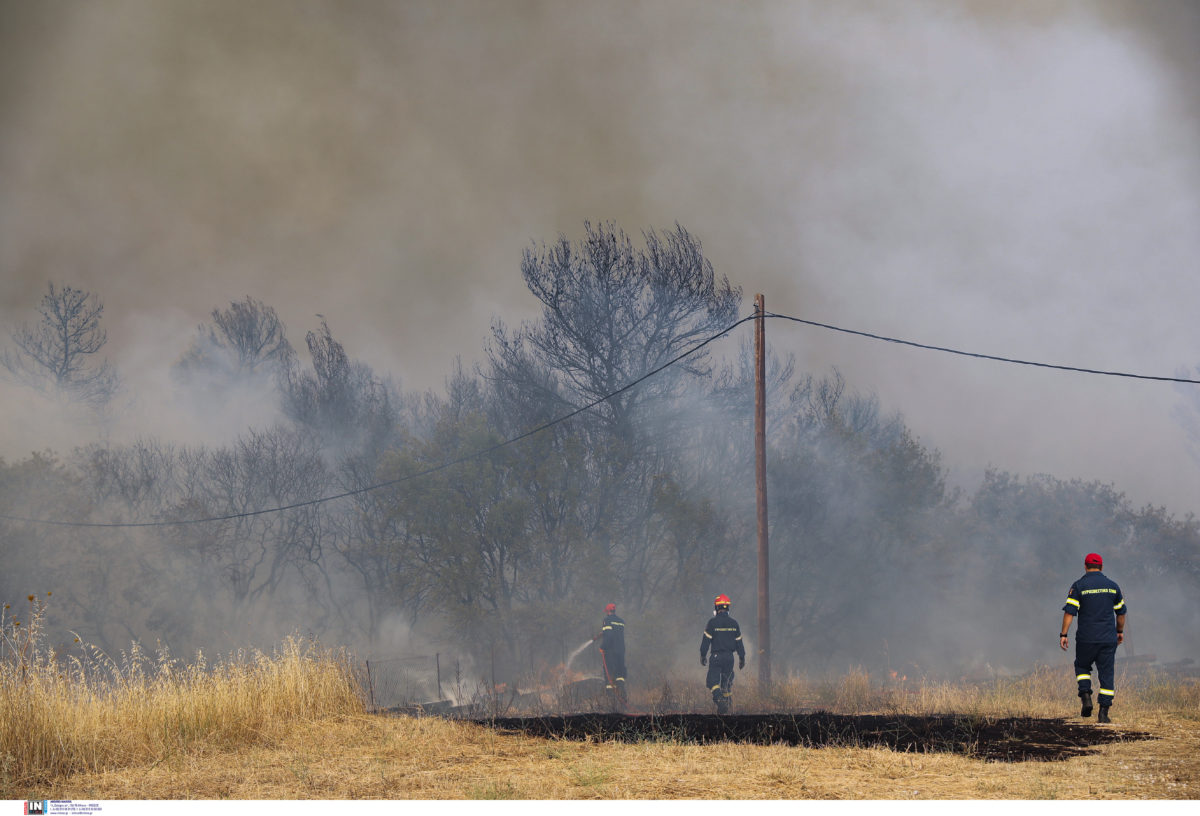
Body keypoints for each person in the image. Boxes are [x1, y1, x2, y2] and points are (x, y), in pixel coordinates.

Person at [1060, 552, 1127, 723]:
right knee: (1106, 674)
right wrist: (1119, 632)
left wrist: (1064, 634)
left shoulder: (1079, 586)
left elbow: (1069, 612)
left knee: (1082, 666)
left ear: (1085, 566)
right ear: (1101, 567)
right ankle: (1103, 714)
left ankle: (1085, 696)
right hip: (1108, 639)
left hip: (1086, 639)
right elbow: (1121, 613)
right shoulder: (1113, 587)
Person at [700, 594, 745, 714]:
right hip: (730, 658)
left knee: (712, 681)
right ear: (728, 608)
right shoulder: (734, 623)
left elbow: (706, 641)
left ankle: (720, 701)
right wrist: (742, 657)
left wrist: (703, 655)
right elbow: (739, 642)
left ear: (716, 607)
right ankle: (727, 706)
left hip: (716, 657)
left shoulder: (712, 623)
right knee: (726, 683)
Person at [595, 602, 627, 705]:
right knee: (620, 676)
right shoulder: (621, 621)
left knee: (609, 674)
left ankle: (611, 702)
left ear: (608, 611)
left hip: (611, 652)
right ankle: (623, 700)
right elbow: (616, 633)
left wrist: (602, 647)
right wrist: (603, 633)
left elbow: (609, 636)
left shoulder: (607, 620)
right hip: (621, 652)